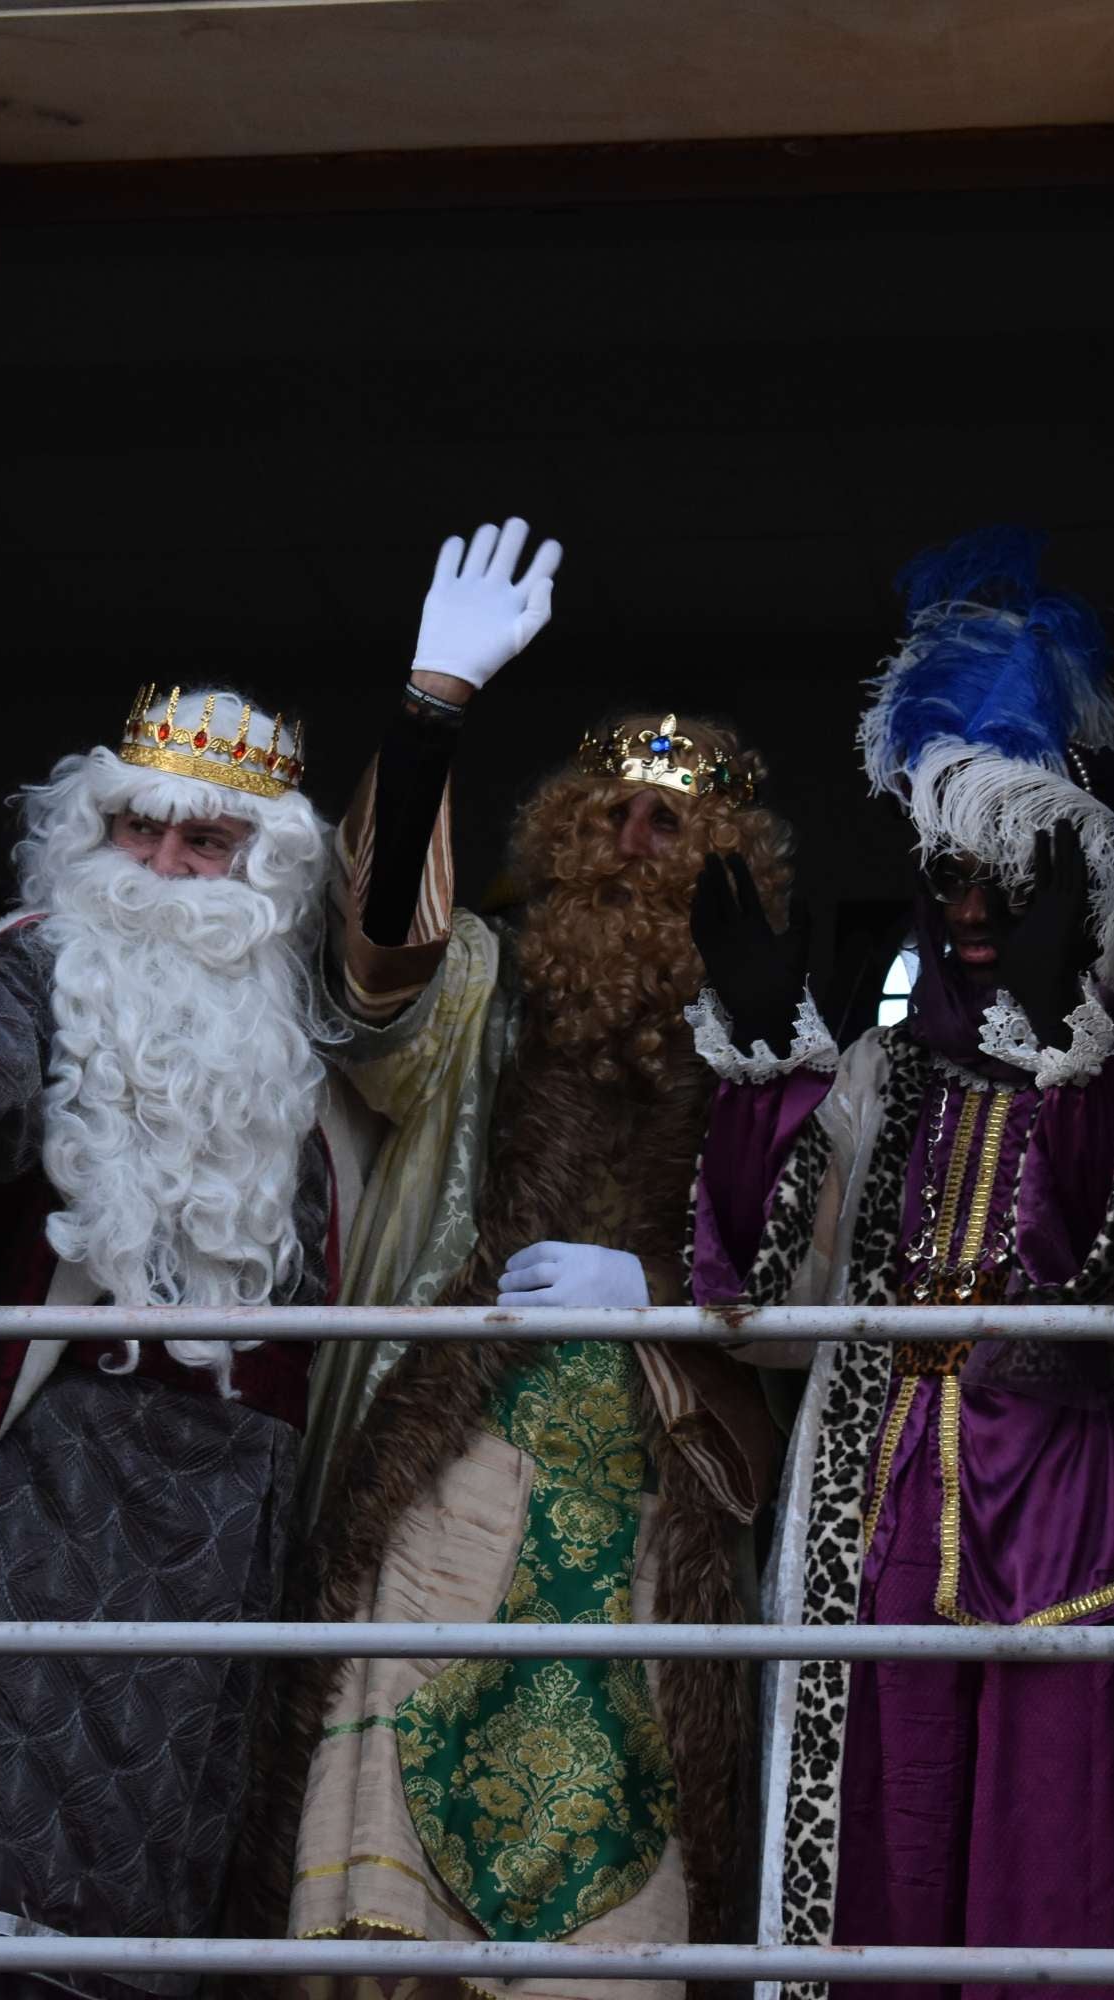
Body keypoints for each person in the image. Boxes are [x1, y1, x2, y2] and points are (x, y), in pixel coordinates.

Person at [251, 519, 789, 2000]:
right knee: (387, 1900)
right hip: (458, 1450)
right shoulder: (488, 988)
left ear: (728, 863)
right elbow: (374, 985)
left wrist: (674, 1302)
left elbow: (819, 1267)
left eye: (672, 826)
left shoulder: (772, 1049)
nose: (634, 841)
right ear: (559, 832)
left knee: (621, 1841)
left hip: (655, 1482)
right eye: (609, 813)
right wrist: (433, 710)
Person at [0, 681, 357, 2000]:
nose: (165, 867)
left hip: (244, 1508)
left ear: (258, 871)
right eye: (139, 832)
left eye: (205, 844)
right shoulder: (47, 961)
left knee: (197, 1859)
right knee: (16, 1856)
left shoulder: (293, 1020)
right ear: (89, 838)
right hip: (69, 1475)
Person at [685, 530, 1114, 2000]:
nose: (962, 912)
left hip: (1063, 1494)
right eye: (945, 876)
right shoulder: (885, 1070)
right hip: (877, 1484)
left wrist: (1068, 1048)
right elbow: (760, 1290)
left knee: (1045, 1830)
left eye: (999, 883)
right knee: (877, 1827)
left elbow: (1093, 1257)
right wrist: (767, 1071)